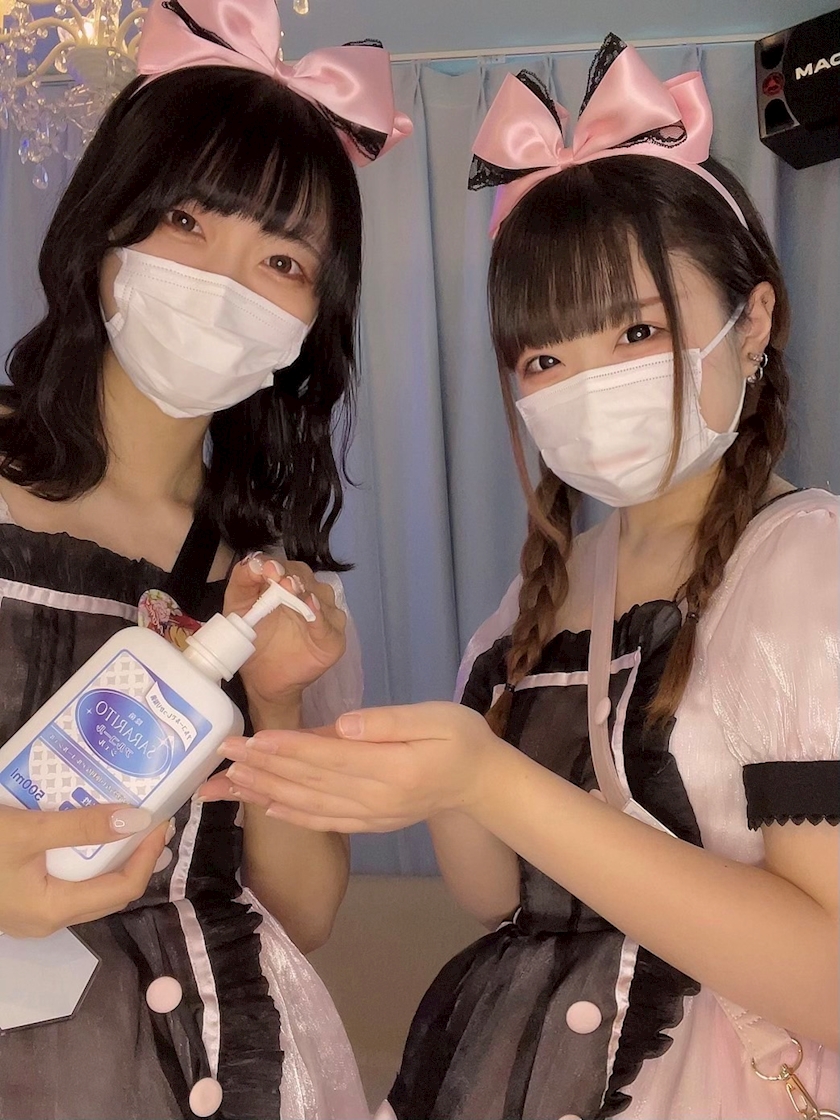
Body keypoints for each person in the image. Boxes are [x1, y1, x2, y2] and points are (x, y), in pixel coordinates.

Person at [210, 36, 840, 1120]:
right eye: (545, 358)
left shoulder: (809, 565)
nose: (587, 383)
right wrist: (414, 767)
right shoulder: (546, 589)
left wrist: (489, 781)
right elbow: (496, 893)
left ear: (756, 322)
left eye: (636, 330)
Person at [0, 1, 409, 1117]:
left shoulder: (264, 580)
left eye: (281, 259)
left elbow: (303, 912)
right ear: (104, 226)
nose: (225, 283)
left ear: (311, 322)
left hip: (216, 1065)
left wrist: (275, 702)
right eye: (187, 220)